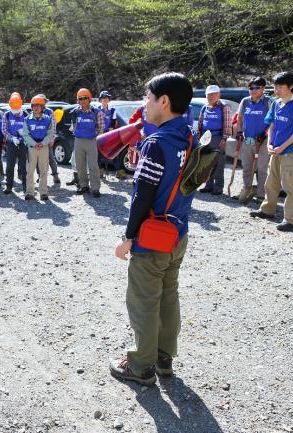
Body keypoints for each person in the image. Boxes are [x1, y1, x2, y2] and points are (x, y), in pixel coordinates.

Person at [110, 72, 196, 386]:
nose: (144, 103)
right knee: (169, 295)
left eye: (147, 97)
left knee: (143, 300)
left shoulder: (156, 142)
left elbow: (142, 195)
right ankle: (163, 357)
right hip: (179, 232)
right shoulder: (189, 134)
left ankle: (140, 366)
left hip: (153, 238)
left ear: (164, 101)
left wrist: (127, 237)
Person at [250, 71, 293, 232]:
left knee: (290, 185)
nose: (277, 89)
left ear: (291, 87)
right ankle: (267, 210)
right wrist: (269, 144)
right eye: (276, 86)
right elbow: (271, 125)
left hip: (291, 150)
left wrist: (281, 147)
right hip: (275, 149)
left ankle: (290, 220)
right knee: (271, 181)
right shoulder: (276, 103)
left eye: (281, 86)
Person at [235, 77, 271, 204]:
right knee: (247, 166)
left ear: (263, 88)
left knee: (262, 168)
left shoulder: (268, 101)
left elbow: (273, 121)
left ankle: (261, 194)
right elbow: (240, 118)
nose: (253, 90)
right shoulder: (245, 101)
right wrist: (239, 131)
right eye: (251, 88)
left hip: (264, 140)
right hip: (248, 139)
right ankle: (246, 190)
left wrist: (265, 134)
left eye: (257, 87)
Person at [198, 85, 232, 195]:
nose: (211, 96)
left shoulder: (224, 107)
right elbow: (200, 123)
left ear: (218, 95)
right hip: (205, 138)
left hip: (218, 137)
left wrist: (224, 138)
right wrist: (199, 137)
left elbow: (227, 124)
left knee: (218, 163)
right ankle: (208, 185)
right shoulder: (204, 107)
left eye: (213, 94)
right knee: (206, 163)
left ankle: (218, 187)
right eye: (209, 95)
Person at [71, 88, 105, 197]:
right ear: (78, 100)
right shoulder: (75, 112)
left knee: (93, 166)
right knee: (80, 165)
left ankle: (95, 188)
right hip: (78, 141)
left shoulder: (96, 112)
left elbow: (101, 127)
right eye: (80, 98)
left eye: (85, 98)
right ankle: (84, 186)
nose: (83, 100)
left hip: (91, 141)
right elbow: (73, 126)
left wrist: (96, 138)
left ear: (89, 99)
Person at [21, 95, 54, 201]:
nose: (35, 108)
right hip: (32, 147)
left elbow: (50, 134)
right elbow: (25, 134)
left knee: (44, 170)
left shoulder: (48, 119)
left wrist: (43, 143)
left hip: (43, 147)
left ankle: (43, 192)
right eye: (34, 105)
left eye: (38, 106)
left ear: (42, 107)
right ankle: (29, 192)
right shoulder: (27, 119)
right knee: (30, 170)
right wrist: (35, 144)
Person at [2, 92, 27, 194]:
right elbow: (4, 130)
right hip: (11, 144)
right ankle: (9, 186)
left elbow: (29, 129)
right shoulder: (7, 115)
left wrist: (23, 135)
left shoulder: (26, 114)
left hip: (23, 144)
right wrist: (12, 138)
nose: (16, 112)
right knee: (10, 166)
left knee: (24, 166)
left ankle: (26, 186)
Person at [99, 91, 126, 180]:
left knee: (114, 153)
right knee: (99, 154)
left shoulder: (112, 110)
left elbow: (114, 122)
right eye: (103, 98)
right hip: (99, 135)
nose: (105, 100)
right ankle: (100, 171)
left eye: (106, 98)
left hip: (109, 135)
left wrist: (111, 128)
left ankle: (119, 171)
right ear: (100, 100)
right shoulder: (96, 110)